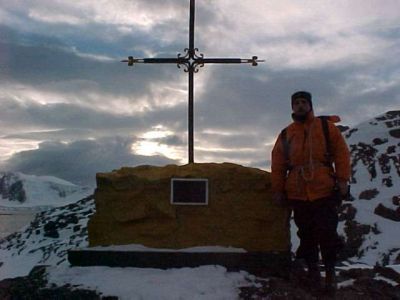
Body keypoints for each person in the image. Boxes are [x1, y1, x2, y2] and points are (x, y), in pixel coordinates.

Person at [271, 91, 350, 294]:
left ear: (310, 105)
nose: (300, 106)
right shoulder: (286, 134)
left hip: (324, 189)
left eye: (303, 102)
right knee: (306, 235)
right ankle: (313, 273)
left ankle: (330, 274)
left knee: (327, 232)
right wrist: (278, 190)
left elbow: (341, 154)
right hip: (298, 192)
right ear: (292, 107)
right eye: (296, 103)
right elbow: (278, 164)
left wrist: (342, 180)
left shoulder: (326, 128)